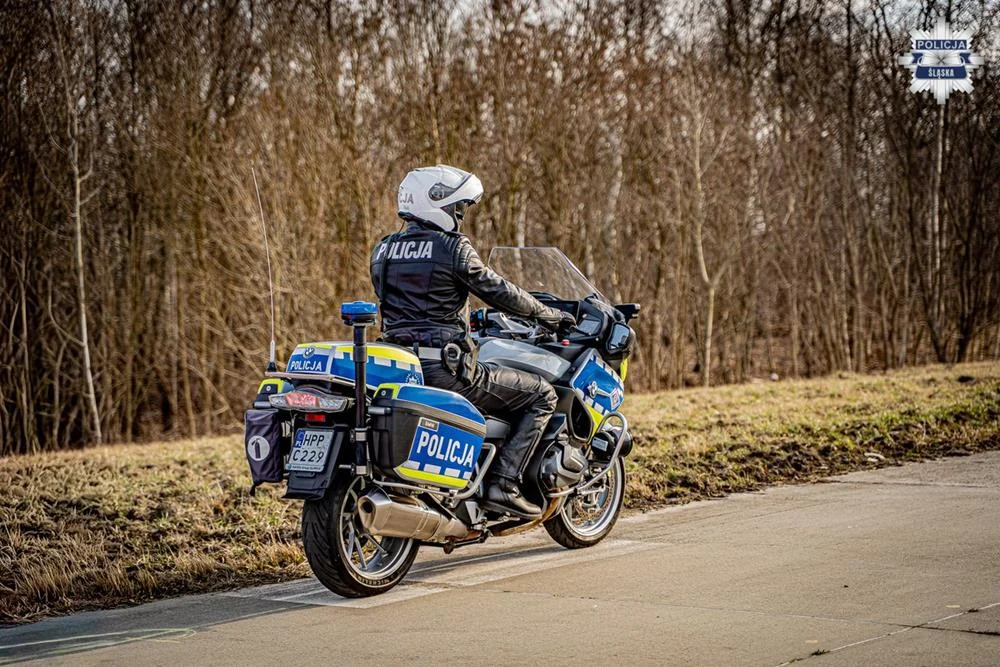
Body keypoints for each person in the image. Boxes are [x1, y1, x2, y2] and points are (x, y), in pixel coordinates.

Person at [370, 165, 575, 518]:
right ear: (439, 205)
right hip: (446, 372)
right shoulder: (452, 248)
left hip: (402, 367)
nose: (460, 216)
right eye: (458, 208)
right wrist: (547, 314)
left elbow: (416, 305)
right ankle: (504, 484)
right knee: (542, 394)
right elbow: (499, 291)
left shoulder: (383, 250)